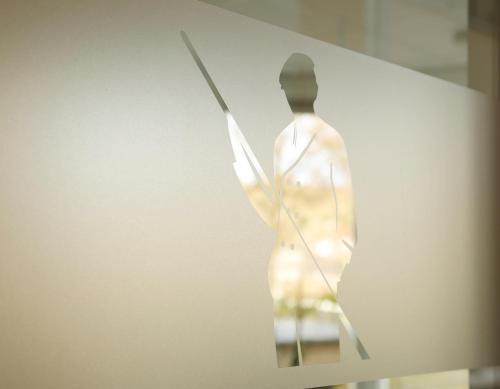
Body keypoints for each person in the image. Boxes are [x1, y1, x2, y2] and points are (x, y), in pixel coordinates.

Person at [228, 53, 367, 367]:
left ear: (313, 87)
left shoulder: (330, 139)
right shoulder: (281, 141)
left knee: (321, 367)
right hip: (286, 273)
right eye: (289, 85)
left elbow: (346, 214)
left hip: (320, 273)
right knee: (287, 368)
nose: (295, 91)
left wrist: (336, 264)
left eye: (303, 82)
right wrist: (249, 178)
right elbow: (279, 218)